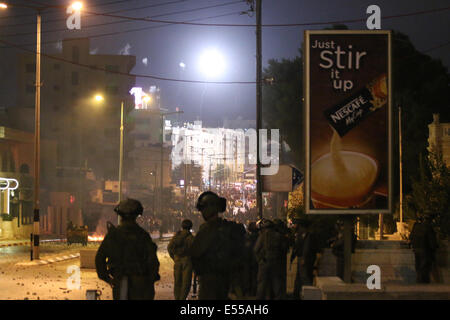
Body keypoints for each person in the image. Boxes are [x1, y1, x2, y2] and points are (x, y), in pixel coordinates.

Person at [95, 198, 160, 300]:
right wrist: (150, 279)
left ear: (120, 216)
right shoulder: (143, 235)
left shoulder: (113, 235)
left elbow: (99, 259)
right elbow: (153, 261)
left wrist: (108, 279)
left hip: (120, 281)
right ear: (137, 215)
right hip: (141, 283)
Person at [189, 191, 243, 300]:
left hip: (210, 282)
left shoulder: (207, 230)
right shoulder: (231, 228)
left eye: (203, 209)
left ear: (210, 208)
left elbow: (195, 253)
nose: (202, 212)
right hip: (228, 280)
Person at [254, 218, 289, 300]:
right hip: (276, 263)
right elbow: (284, 249)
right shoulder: (279, 236)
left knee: (261, 286)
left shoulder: (262, 236)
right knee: (277, 285)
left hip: (264, 263)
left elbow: (256, 249)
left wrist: (259, 260)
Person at [291, 218, 319, 299]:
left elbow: (306, 248)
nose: (294, 226)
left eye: (295, 224)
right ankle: (297, 295)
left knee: (305, 278)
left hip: (305, 259)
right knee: (299, 278)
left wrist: (303, 258)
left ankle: (309, 295)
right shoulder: (301, 234)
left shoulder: (306, 234)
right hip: (302, 258)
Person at [168, 219, 195, 300]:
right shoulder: (191, 237)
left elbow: (169, 247)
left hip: (177, 261)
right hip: (187, 261)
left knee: (177, 282)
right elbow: (194, 251)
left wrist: (174, 258)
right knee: (186, 283)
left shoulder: (176, 236)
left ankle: (177, 298)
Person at [409, 215, 438, 283]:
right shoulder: (428, 227)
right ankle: (423, 282)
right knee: (424, 267)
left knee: (418, 266)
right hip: (425, 250)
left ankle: (419, 280)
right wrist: (434, 248)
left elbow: (411, 237)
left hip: (416, 249)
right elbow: (432, 241)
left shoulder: (416, 226)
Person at [242, 221, 259, 297]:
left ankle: (249, 291)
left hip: (248, 259)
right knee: (254, 276)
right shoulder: (258, 237)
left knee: (248, 276)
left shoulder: (247, 238)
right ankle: (253, 291)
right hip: (254, 260)